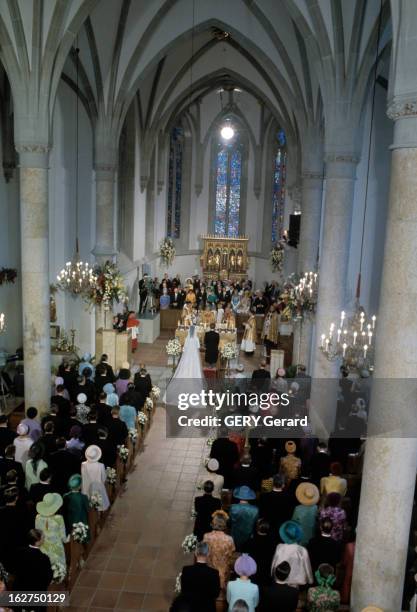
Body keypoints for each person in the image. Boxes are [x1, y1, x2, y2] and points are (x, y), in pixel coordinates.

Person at [13, 529, 53, 611]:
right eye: (43, 537)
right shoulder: (43, 558)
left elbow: (14, 570)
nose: (44, 539)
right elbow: (47, 579)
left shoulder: (19, 552)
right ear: (37, 541)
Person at [180, 541, 220, 612]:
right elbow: (216, 594)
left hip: (190, 608)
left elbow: (184, 591)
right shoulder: (214, 573)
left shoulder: (186, 570)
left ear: (195, 553)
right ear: (208, 554)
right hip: (208, 609)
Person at [271, 521, 313, 587]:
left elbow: (274, 562)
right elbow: (307, 566)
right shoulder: (302, 550)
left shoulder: (280, 547)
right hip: (295, 580)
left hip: (280, 578)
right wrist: (310, 580)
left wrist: (272, 573)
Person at [203, 510, 236, 591]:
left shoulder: (206, 536)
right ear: (224, 525)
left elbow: (204, 551)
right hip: (223, 568)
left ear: (213, 524)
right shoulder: (229, 539)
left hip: (210, 566)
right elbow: (232, 551)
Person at [35, 493, 67, 569]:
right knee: (59, 567)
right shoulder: (59, 518)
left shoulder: (37, 517)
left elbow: (37, 532)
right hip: (57, 546)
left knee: (46, 566)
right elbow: (63, 536)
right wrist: (67, 540)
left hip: (43, 546)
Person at [247, 519, 276, 587]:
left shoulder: (251, 541)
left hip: (252, 571)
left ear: (257, 528)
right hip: (265, 572)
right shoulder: (272, 543)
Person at [81, 445, 110, 511]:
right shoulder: (101, 465)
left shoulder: (83, 464)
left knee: (91, 507)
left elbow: (83, 477)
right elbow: (104, 478)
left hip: (87, 488)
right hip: (98, 487)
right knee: (100, 505)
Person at [230, 486, 259, 552]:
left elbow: (230, 521)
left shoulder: (233, 507)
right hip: (248, 535)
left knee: (235, 552)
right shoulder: (255, 509)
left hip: (235, 535)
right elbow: (255, 523)